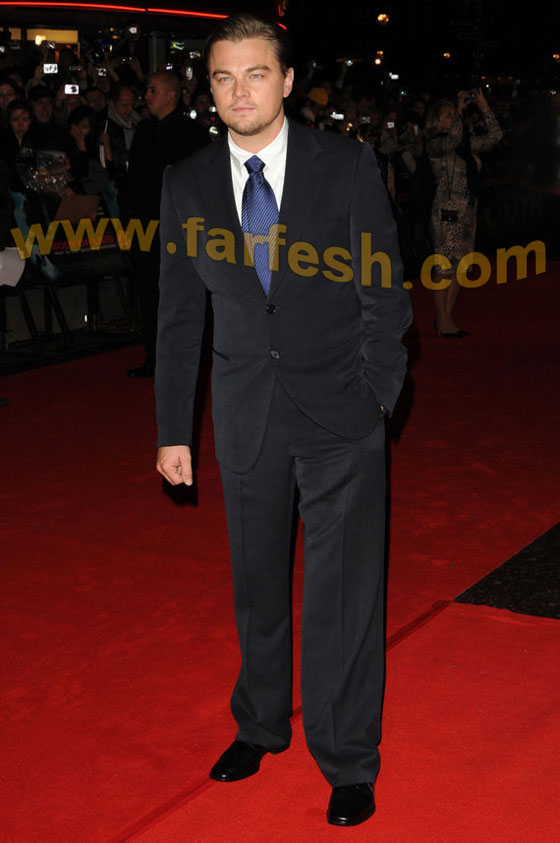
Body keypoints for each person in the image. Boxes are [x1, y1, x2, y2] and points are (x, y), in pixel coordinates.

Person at [155, 14, 411, 827]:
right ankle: (261, 723)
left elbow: (384, 293)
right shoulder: (187, 181)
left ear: (288, 80)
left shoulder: (347, 165)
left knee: (343, 595)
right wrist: (173, 429)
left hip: (341, 412)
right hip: (246, 413)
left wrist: (378, 397)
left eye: (256, 73)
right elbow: (177, 316)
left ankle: (347, 757)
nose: (240, 91)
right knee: (257, 585)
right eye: (224, 77)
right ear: (210, 88)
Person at [125, 70, 208, 378]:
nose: (146, 96)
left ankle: (183, 359)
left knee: (179, 296)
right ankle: (155, 356)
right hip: (143, 226)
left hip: (176, 229)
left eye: (153, 91)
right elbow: (134, 180)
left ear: (171, 95)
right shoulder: (144, 131)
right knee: (148, 292)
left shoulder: (191, 133)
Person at [424, 88, 502, 336]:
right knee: (444, 265)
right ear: (437, 121)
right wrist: (459, 108)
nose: (454, 117)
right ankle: (443, 320)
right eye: (448, 114)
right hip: (447, 212)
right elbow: (455, 137)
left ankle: (446, 319)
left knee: (461, 266)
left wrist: (484, 107)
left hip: (468, 210)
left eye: (454, 114)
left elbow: (495, 137)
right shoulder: (437, 144)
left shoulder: (464, 145)